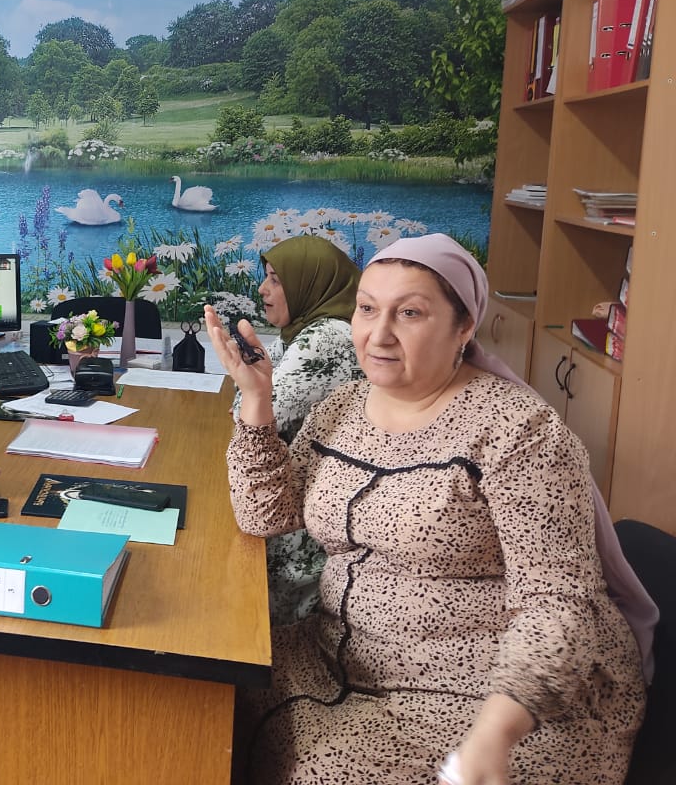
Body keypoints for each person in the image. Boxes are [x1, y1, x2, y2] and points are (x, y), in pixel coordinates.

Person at [204, 233, 652, 785]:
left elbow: (558, 602)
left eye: (410, 313)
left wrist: (496, 731)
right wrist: (256, 401)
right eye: (367, 309)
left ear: (464, 327)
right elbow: (267, 516)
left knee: (323, 772)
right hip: (338, 655)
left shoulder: (520, 432)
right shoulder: (342, 407)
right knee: (208, 699)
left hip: (486, 693)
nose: (379, 334)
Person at [237, 234, 363, 627]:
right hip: (296, 497)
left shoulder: (327, 338)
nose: (263, 289)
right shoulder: (304, 329)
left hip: (302, 524)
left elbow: (252, 413)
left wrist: (246, 393)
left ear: (310, 283)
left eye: (276, 280)